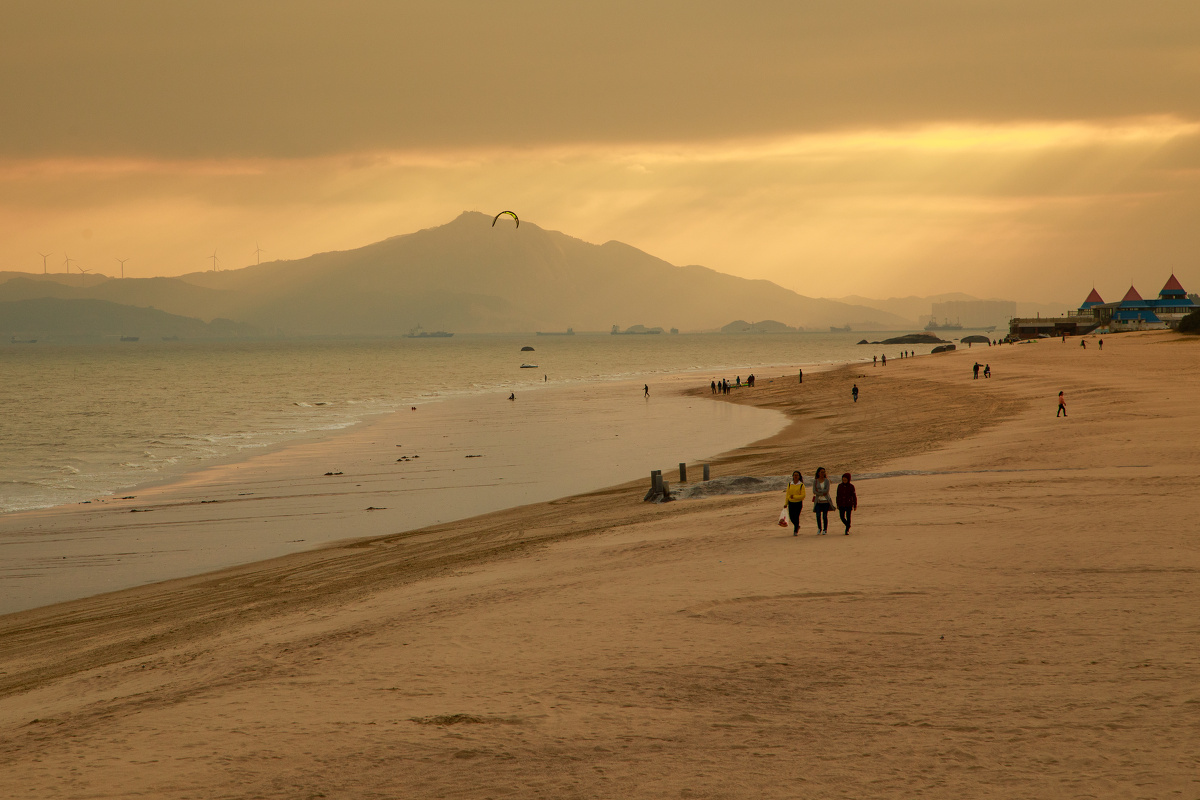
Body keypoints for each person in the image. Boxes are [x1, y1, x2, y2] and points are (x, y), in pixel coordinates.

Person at [812, 467, 832, 535]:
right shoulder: (815, 481)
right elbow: (814, 491)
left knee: (824, 516)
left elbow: (826, 491)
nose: (823, 473)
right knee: (818, 515)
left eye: (824, 472)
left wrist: (819, 491)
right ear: (818, 473)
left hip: (826, 501)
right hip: (818, 501)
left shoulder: (827, 481)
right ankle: (819, 528)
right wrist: (821, 492)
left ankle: (825, 529)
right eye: (821, 472)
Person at [784, 471, 805, 535]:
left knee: (796, 517)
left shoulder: (801, 485)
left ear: (799, 476)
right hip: (791, 503)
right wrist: (786, 503)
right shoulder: (790, 484)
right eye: (794, 475)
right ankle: (797, 526)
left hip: (798, 503)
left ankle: (795, 530)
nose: (795, 476)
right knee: (791, 517)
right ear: (793, 476)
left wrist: (794, 497)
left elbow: (803, 496)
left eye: (797, 475)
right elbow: (787, 494)